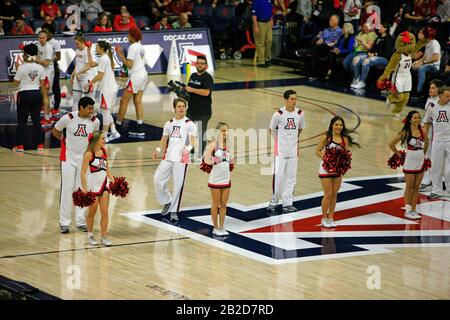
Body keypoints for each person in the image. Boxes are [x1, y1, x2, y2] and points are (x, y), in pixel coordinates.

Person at [52, 97, 100, 233]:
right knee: (67, 189)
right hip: (68, 159)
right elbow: (55, 131)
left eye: (92, 108)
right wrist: (64, 141)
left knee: (83, 189)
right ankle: (64, 222)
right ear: (81, 108)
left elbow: (95, 139)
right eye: (89, 108)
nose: (92, 111)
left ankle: (80, 221)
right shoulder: (68, 118)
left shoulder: (95, 122)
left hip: (84, 161)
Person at [153, 98, 197, 222]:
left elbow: (193, 142)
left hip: (181, 159)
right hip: (168, 157)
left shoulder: (190, 124)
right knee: (157, 179)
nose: (181, 108)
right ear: (174, 108)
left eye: (183, 106)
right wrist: (157, 150)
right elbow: (163, 140)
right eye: (179, 106)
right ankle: (166, 201)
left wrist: (187, 149)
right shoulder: (169, 123)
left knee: (178, 186)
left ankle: (174, 211)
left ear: (186, 108)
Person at [316, 116, 360, 228]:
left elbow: (346, 153)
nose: (338, 127)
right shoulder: (326, 137)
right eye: (336, 124)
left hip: (338, 169)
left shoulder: (344, 139)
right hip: (326, 168)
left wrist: (344, 162)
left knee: (334, 194)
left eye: (341, 125)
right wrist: (326, 158)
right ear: (332, 125)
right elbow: (317, 151)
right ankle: (323, 218)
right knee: (328, 194)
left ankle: (331, 217)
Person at [267, 89, 306, 214]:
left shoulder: (300, 113)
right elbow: (271, 129)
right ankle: (273, 202)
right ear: (286, 100)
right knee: (278, 177)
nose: (294, 101)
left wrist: (292, 140)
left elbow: (300, 129)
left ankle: (288, 203)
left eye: (296, 98)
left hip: (293, 150)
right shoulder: (278, 114)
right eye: (292, 99)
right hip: (280, 151)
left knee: (291, 177)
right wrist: (280, 141)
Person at [389, 110, 429, 219]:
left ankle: (414, 210)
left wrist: (422, 154)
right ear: (410, 119)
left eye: (419, 118)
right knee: (409, 186)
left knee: (416, 187)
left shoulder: (423, 131)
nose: (417, 120)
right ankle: (407, 210)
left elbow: (427, 143)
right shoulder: (406, 132)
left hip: (420, 161)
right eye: (415, 118)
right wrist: (399, 155)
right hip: (410, 161)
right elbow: (391, 144)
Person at [12, 44, 49, 152]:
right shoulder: (40, 67)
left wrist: (16, 68)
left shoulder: (22, 67)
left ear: (26, 55)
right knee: (36, 120)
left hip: (24, 94)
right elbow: (42, 84)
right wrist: (44, 97)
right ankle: (40, 145)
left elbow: (15, 83)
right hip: (37, 94)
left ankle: (20, 146)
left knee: (22, 121)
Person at [80, 131, 114, 246]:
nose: (105, 140)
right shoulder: (89, 154)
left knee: (105, 212)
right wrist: (84, 188)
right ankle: (90, 235)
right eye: (102, 138)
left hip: (104, 185)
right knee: (92, 213)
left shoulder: (104, 151)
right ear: (96, 141)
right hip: (93, 187)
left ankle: (104, 237)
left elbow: (107, 169)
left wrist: (114, 181)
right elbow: (83, 173)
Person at [115, 27, 148, 136]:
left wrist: (120, 55)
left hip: (136, 77)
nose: (127, 37)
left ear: (132, 36)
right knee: (137, 101)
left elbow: (129, 64)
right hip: (143, 74)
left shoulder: (133, 47)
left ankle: (117, 126)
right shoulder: (141, 46)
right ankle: (140, 126)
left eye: (128, 35)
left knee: (123, 101)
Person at [203, 122, 233, 237]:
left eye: (227, 130)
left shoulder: (228, 144)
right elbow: (206, 160)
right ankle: (215, 227)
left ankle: (221, 226)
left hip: (226, 178)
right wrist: (215, 160)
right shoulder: (212, 145)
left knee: (224, 204)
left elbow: (230, 160)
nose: (226, 133)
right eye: (223, 130)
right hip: (215, 179)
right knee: (216, 203)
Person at [89, 40, 121, 142]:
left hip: (107, 89)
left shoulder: (103, 59)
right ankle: (114, 131)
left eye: (97, 47)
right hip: (110, 88)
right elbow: (90, 64)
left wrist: (89, 83)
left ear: (102, 48)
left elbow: (100, 75)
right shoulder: (104, 58)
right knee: (105, 111)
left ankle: (105, 136)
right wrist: (87, 50)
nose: (95, 48)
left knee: (105, 113)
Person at [423, 86, 450, 198]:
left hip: (449, 140)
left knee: (449, 168)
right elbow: (426, 122)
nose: (449, 98)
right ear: (440, 95)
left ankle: (449, 190)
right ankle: (437, 190)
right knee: (436, 167)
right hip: (437, 141)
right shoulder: (432, 106)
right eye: (447, 96)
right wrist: (423, 138)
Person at [296, 15, 342, 79]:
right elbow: (321, 39)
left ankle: (303, 52)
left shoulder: (340, 31)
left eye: (331, 20)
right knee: (315, 51)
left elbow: (336, 42)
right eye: (329, 20)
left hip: (331, 49)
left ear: (336, 22)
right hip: (322, 48)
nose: (329, 21)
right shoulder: (326, 30)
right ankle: (314, 73)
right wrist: (320, 41)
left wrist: (327, 44)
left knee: (321, 46)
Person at [185, 55, 214, 156]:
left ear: (206, 66)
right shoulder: (193, 76)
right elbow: (188, 91)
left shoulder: (207, 77)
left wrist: (192, 90)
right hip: (191, 110)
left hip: (203, 112)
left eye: (202, 63)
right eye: (198, 63)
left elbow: (206, 92)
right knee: (188, 131)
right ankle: (189, 150)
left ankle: (201, 155)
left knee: (201, 133)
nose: (200, 65)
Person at [353, 22, 394, 89]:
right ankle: (357, 79)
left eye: (381, 27)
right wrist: (370, 52)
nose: (379, 28)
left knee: (366, 61)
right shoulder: (378, 38)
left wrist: (375, 54)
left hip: (384, 59)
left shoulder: (389, 39)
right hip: (374, 56)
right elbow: (372, 48)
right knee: (356, 59)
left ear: (385, 29)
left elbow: (388, 53)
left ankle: (362, 82)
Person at [419, 79, 444, 191]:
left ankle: (431, 182)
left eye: (433, 88)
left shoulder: (441, 102)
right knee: (427, 156)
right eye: (430, 87)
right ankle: (428, 180)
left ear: (439, 89)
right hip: (429, 132)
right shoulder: (429, 99)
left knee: (433, 158)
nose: (430, 89)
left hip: (436, 134)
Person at [412, 26, 441, 99]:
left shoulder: (435, 43)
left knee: (422, 68)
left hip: (434, 67)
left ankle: (419, 92)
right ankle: (411, 90)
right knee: (413, 66)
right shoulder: (428, 43)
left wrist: (423, 62)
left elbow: (436, 58)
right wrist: (418, 62)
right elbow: (424, 57)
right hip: (427, 65)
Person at [345, 22, 377, 88]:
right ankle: (355, 76)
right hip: (356, 51)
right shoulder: (360, 33)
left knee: (352, 64)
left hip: (364, 52)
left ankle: (357, 78)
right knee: (345, 63)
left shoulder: (372, 34)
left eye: (366, 27)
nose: (365, 28)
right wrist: (355, 43)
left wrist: (362, 42)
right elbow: (356, 43)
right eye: (364, 26)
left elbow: (369, 47)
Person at [71, 34, 96, 112]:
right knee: (75, 99)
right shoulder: (77, 50)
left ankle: (91, 116)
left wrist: (78, 73)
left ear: (82, 42)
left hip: (86, 78)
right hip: (77, 77)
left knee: (88, 100)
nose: (76, 45)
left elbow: (88, 66)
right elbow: (78, 63)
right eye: (75, 43)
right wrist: (73, 73)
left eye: (77, 43)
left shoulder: (88, 51)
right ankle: (75, 115)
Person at [41, 25, 61, 121]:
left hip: (53, 67)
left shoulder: (55, 43)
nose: (44, 34)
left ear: (50, 33)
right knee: (43, 88)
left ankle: (56, 108)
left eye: (46, 32)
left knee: (55, 87)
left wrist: (49, 60)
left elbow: (58, 57)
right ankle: (45, 106)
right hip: (43, 68)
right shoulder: (41, 43)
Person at [35, 31, 54, 128]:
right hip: (41, 72)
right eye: (40, 38)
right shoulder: (39, 45)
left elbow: (46, 63)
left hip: (47, 74)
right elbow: (38, 57)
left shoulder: (48, 48)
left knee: (46, 94)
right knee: (43, 94)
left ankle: (47, 118)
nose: (41, 39)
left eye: (43, 38)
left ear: (46, 38)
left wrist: (35, 60)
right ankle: (48, 112)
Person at [252, 0, 273, 68]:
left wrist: (271, 21)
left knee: (269, 41)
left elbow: (270, 11)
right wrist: (256, 26)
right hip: (260, 23)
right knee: (260, 42)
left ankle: (267, 59)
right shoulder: (256, 1)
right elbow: (254, 15)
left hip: (268, 22)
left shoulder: (268, 1)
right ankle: (261, 61)